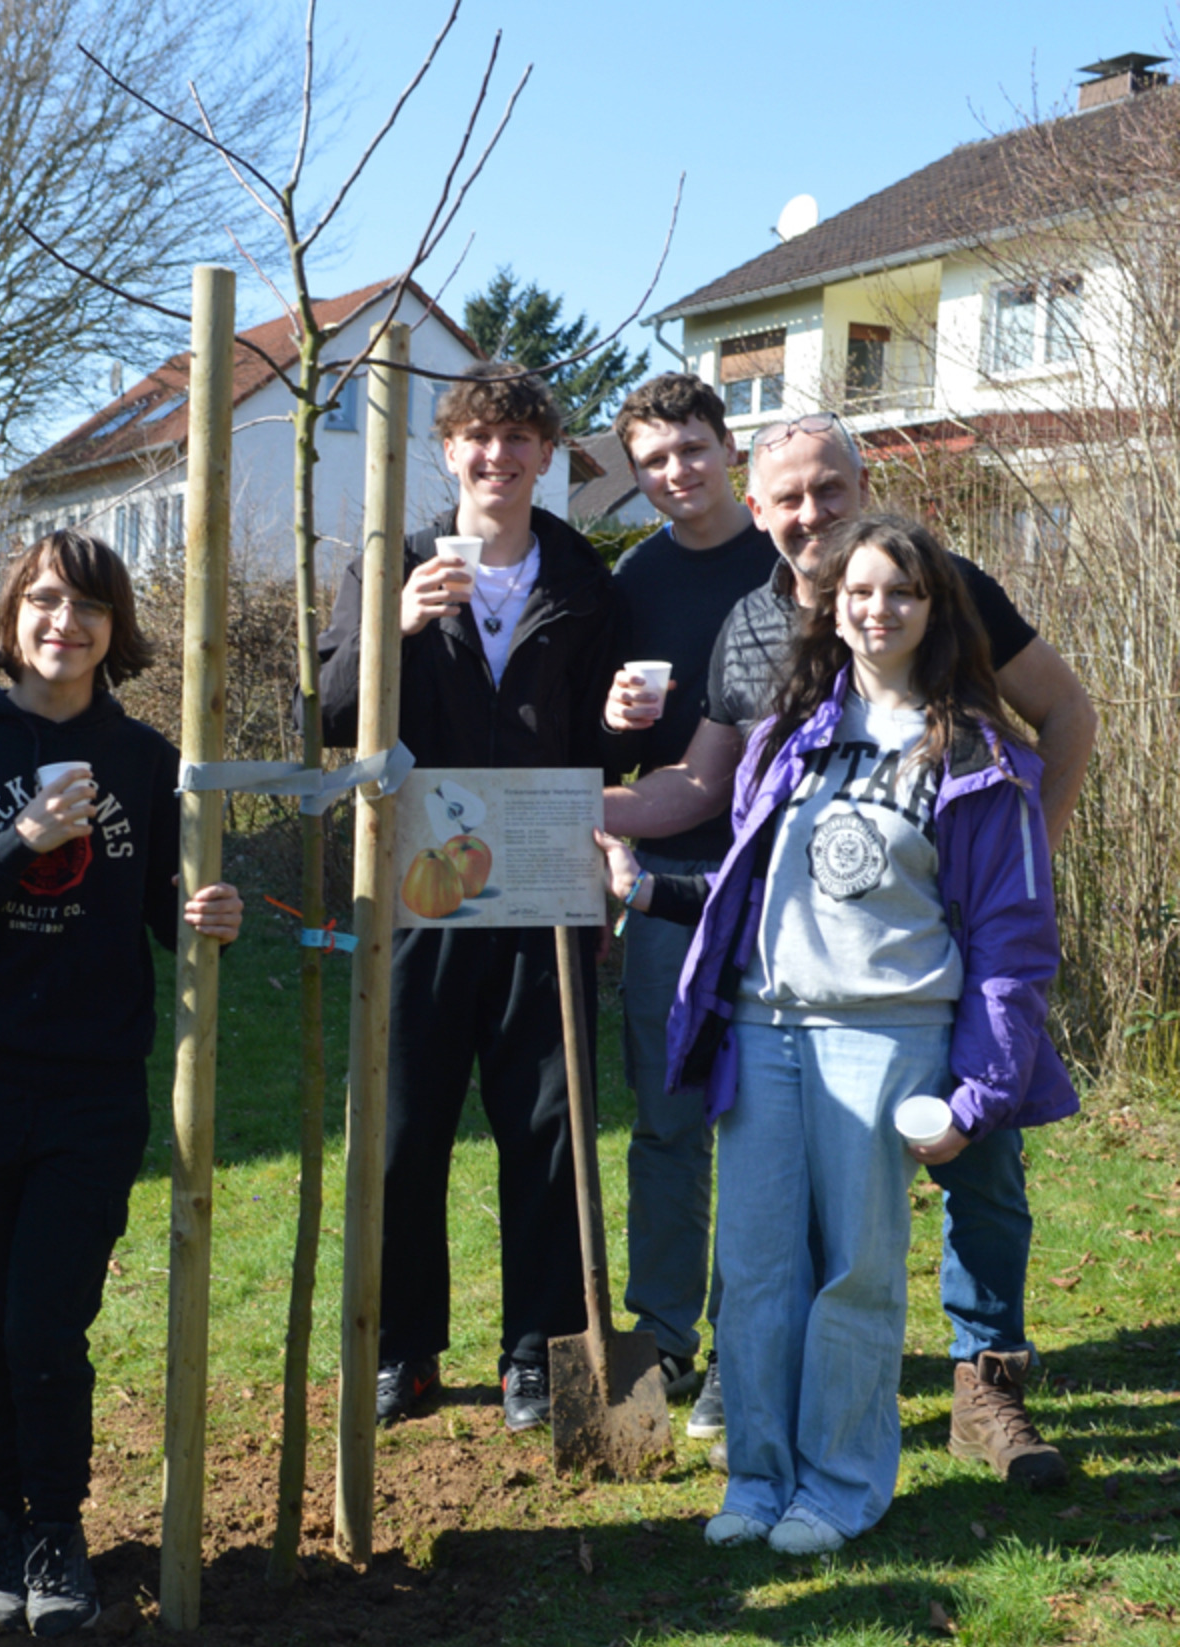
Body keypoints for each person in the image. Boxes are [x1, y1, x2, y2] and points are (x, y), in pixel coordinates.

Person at [603, 412, 1095, 1488]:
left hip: (946, 949)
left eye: (830, 488)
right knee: (793, 1191)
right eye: (787, 496)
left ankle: (985, 1380)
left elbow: (1065, 712)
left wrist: (1011, 871)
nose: (810, 512)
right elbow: (705, 786)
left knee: (979, 1161)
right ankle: (766, 1374)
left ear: (863, 486)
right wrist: (558, 809)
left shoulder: (940, 583)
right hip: (808, 980)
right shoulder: (747, 624)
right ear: (758, 505)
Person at [0, 530, 242, 1637]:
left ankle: (56, 1530)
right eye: (45, 599)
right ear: (11, 617)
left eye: (90, 604)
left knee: (46, 1325)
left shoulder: (148, 760)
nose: (66, 621)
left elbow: (167, 916)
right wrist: (17, 840)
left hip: (92, 1090)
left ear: (115, 626)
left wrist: (211, 912)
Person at [318, 361, 623, 1434]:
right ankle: (402, 1346)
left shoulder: (584, 577)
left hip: (542, 876)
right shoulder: (388, 565)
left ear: (546, 456)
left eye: (519, 438)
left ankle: (537, 1351)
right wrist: (393, 627)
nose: (498, 457)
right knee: (404, 1125)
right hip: (420, 884)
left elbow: (607, 739)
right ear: (448, 453)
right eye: (478, 439)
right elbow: (331, 714)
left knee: (547, 1123)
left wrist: (626, 730)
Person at [601, 374, 781, 1440]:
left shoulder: (790, 560)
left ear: (728, 446)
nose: (676, 472)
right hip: (665, 873)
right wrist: (614, 721)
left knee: (758, 1119)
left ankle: (741, 1336)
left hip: (779, 879)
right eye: (653, 461)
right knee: (666, 1116)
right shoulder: (632, 579)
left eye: (691, 449)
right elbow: (602, 740)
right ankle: (664, 1332)